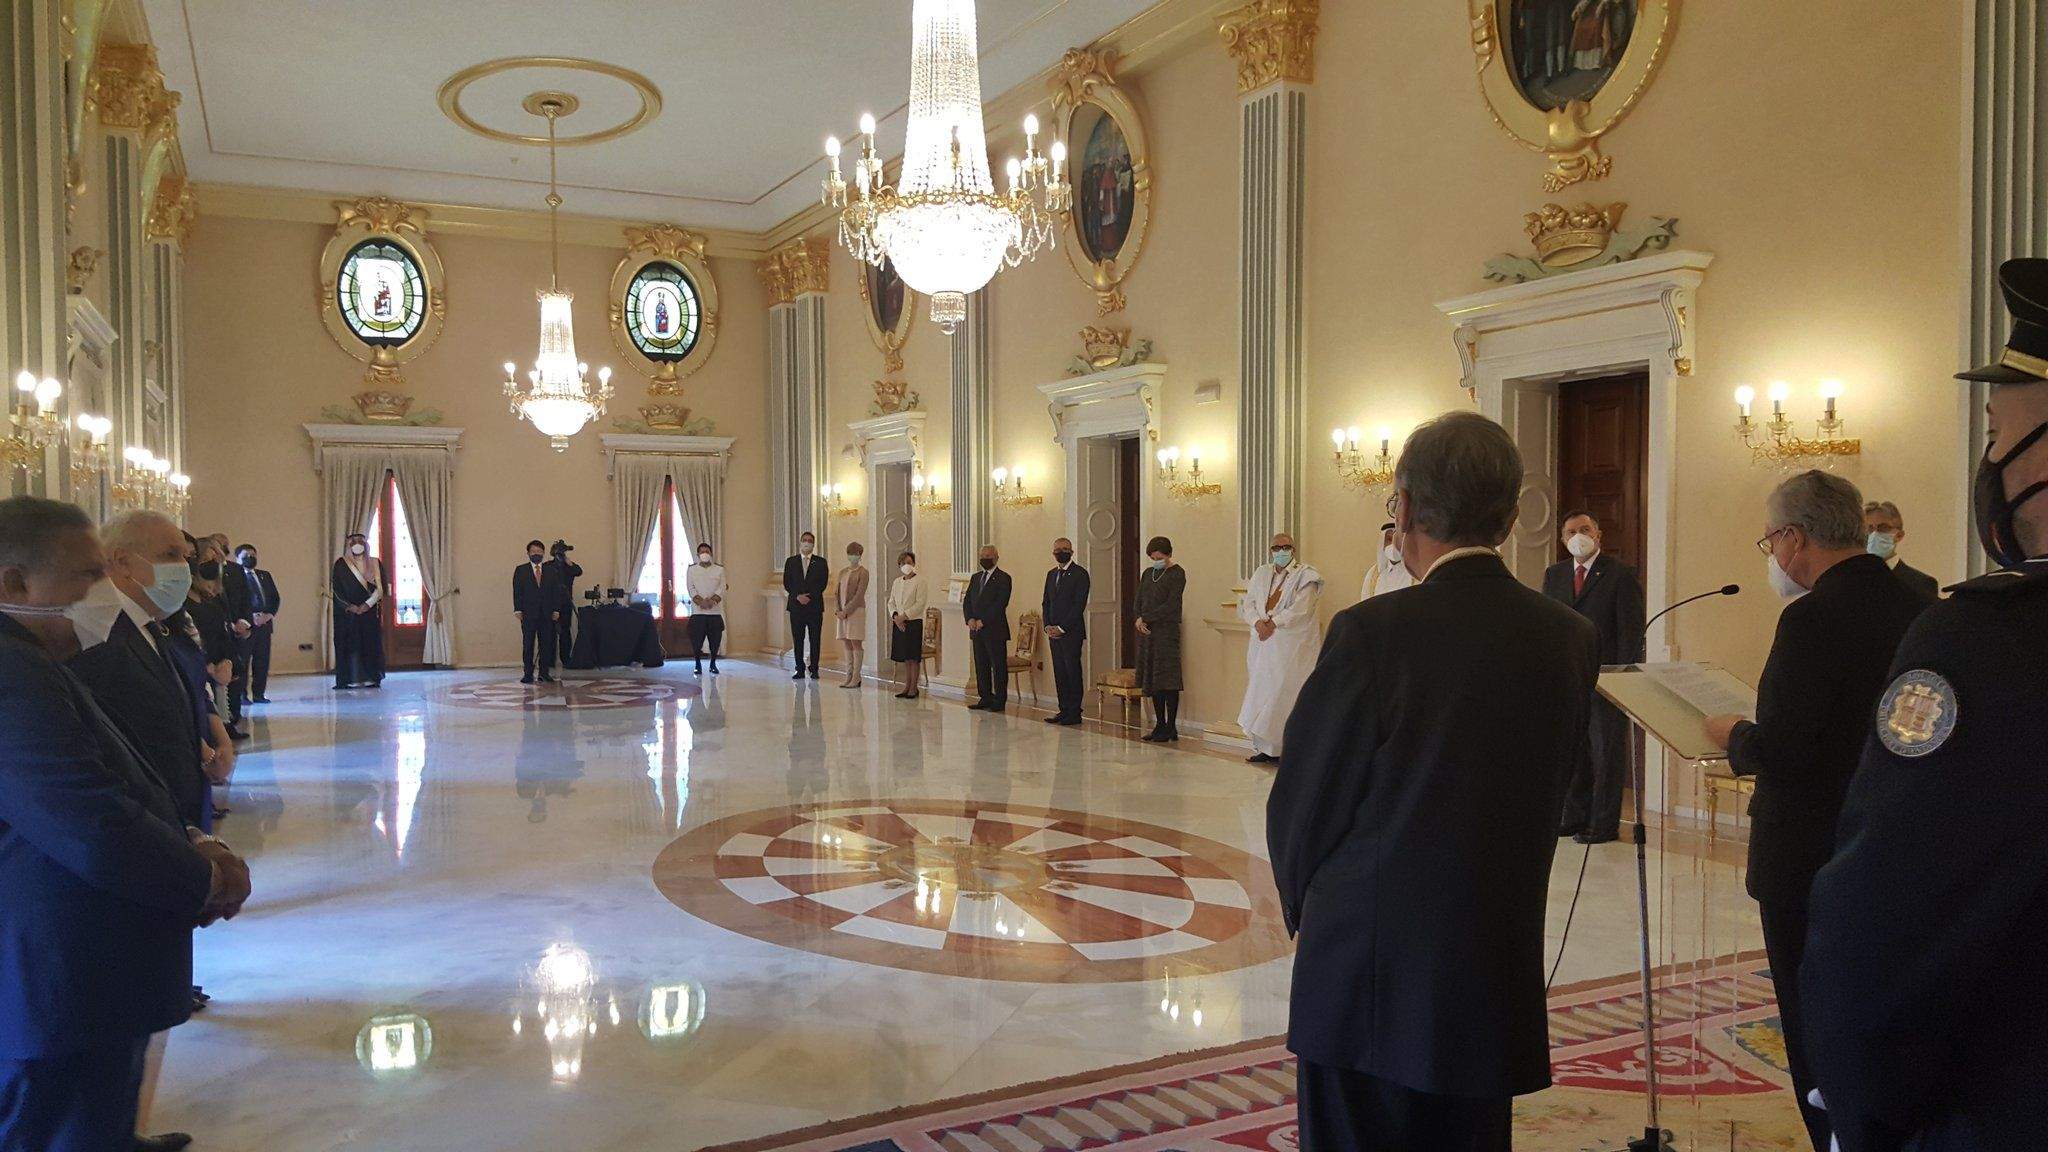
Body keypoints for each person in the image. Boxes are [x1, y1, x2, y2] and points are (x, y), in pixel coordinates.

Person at [1267, 412, 1600, 1152]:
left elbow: (1304, 802)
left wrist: (1308, 913)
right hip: (1491, 965)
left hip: (1369, 976)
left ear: (1407, 510)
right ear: (1511, 520)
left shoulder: (1372, 633)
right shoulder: (1569, 638)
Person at [1801, 256, 2048, 1152]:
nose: (1989, 458)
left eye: (1997, 430)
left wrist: (1856, 1110)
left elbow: (1888, 928)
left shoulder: (1988, 643)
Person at [0, 496, 251, 1152]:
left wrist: (191, 834)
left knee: (103, 1109)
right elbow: (88, 820)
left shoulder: (35, 658)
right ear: (15, 585)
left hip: (91, 954)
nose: (100, 590)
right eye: (86, 575)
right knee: (62, 1120)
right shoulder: (10, 672)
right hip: (57, 966)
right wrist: (202, 879)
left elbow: (115, 762)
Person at [1697, 471, 1928, 1152]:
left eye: (1770, 540)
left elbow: (1785, 749)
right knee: (1874, 1016)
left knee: (1812, 1026)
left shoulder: (1811, 617)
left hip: (1804, 859)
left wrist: (1730, 734)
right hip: (1887, 845)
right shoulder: (1917, 603)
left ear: (1795, 538)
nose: (1772, 555)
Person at [1542, 511, 1646, 843]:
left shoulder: (1620, 574)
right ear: (1563, 540)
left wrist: (1621, 677)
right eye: (1571, 532)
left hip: (1607, 681)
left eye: (1585, 529)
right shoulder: (1554, 575)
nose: (1578, 536)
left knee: (1605, 756)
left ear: (1598, 534)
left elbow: (1631, 632)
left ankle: (1603, 824)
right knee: (1573, 754)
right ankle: (1573, 816)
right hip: (1568, 679)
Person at [1237, 532, 1323, 764]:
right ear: (1271, 551)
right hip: (1263, 646)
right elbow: (1249, 603)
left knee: (1284, 695)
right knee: (1262, 693)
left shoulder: (1306, 576)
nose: (1281, 551)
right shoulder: (1262, 573)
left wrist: (1274, 623)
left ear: (1293, 550)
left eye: (1286, 547)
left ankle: (1288, 749)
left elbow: (1301, 609)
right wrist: (1258, 622)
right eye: (1276, 548)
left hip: (1290, 648)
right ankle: (1265, 748)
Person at [187, 538, 244, 737]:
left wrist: (227, 661)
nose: (212, 562)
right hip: (203, 664)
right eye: (207, 558)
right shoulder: (183, 602)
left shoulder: (212, 599)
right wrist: (209, 665)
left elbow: (221, 631)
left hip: (220, 659)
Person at [1134, 536, 1185, 742]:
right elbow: (1139, 598)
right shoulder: (1148, 573)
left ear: (1168, 554)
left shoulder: (1177, 573)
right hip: (1148, 633)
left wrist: (1148, 617)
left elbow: (1172, 604)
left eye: (1159, 556)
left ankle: (1171, 726)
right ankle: (1159, 724)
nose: (1156, 559)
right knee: (1154, 681)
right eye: (1153, 557)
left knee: (1168, 681)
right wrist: (1139, 618)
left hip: (1167, 632)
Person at [1040, 537, 1090, 726]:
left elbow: (1078, 605)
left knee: (1072, 671)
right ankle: (1064, 709)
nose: (1061, 552)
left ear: (1071, 551)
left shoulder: (1080, 574)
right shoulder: (1051, 574)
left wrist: (1062, 628)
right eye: (1058, 549)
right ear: (1053, 553)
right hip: (1053, 632)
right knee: (1059, 672)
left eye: (1065, 549)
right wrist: (1048, 626)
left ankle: (1075, 711)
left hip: (1071, 632)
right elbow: (1046, 602)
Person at [963, 545, 1012, 713]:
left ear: (996, 557)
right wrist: (969, 619)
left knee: (998, 666)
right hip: (976, 630)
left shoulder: (1004, 578)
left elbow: (1000, 604)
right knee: (981, 664)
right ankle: (985, 697)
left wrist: (983, 620)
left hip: (995, 629)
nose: (985, 558)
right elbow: (967, 600)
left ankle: (999, 700)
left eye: (988, 556)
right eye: (982, 555)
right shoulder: (976, 578)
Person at [331, 532, 384, 689]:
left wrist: (367, 604)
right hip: (347, 615)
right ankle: (348, 679)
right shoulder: (341, 564)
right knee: (348, 645)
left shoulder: (374, 563)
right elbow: (336, 590)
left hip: (368, 612)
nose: (357, 544)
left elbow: (380, 589)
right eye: (353, 542)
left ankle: (371, 677)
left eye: (360, 541)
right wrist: (350, 606)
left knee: (369, 644)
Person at [1861, 500, 1939, 602]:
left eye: (1883, 528)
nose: (1874, 534)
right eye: (1868, 528)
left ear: (1899, 535)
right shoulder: (1850, 579)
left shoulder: (1921, 584)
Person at [232, 544, 280, 704]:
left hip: (265, 625)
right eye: (246, 555)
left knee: (262, 662)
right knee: (243, 661)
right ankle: (242, 695)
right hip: (246, 626)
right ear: (237, 558)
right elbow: (234, 603)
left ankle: (259, 694)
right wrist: (249, 618)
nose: (250, 558)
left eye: (253, 555)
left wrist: (268, 615)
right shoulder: (234, 577)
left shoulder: (264, 575)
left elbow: (274, 598)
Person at [783, 531, 829, 680]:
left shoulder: (821, 562)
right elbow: (787, 582)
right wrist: (798, 596)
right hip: (796, 607)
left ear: (813, 544)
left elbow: (823, 583)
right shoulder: (791, 561)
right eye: (804, 540)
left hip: (814, 606)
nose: (807, 543)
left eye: (810, 541)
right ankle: (799, 668)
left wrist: (810, 597)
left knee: (815, 639)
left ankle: (814, 668)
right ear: (800, 542)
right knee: (798, 639)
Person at [512, 539, 557, 684]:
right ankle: (528, 674)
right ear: (528, 553)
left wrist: (556, 609)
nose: (536, 554)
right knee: (528, 645)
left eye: (539, 552)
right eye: (533, 552)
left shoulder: (551, 570)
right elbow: (517, 591)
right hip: (528, 613)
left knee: (546, 644)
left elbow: (555, 592)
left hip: (546, 613)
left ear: (543, 553)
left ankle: (544, 673)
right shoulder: (521, 570)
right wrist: (517, 609)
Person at [887, 551, 928, 700]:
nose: (907, 565)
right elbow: (891, 601)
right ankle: (906, 686)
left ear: (914, 564)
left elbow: (920, 603)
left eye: (910, 562)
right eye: (904, 563)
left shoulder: (920, 581)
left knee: (913, 657)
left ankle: (914, 688)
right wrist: (896, 616)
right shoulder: (897, 582)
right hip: (899, 623)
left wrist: (905, 616)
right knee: (905, 656)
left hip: (913, 622)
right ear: (899, 565)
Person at [685, 543, 727, 675]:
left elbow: (722, 587)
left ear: (711, 553)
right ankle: (697, 663)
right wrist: (700, 602)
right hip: (698, 612)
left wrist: (712, 601)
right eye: (702, 552)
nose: (705, 554)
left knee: (715, 640)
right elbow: (690, 587)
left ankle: (713, 663)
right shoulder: (692, 570)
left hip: (714, 612)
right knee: (697, 640)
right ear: (698, 555)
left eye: (707, 551)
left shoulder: (719, 569)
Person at [834, 542, 869, 688]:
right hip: (842, 613)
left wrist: (846, 611)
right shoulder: (842, 572)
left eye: (855, 553)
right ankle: (848, 675)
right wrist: (838, 610)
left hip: (856, 612)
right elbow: (837, 592)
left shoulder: (863, 572)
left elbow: (859, 595)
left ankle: (856, 676)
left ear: (860, 555)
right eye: (850, 552)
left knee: (855, 642)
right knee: (846, 641)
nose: (852, 555)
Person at [545, 540, 582, 665]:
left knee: (565, 631)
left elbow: (578, 571)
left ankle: (566, 659)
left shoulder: (569, 566)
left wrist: (568, 562)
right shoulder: (548, 565)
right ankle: (549, 660)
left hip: (565, 602)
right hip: (550, 603)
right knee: (550, 631)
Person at [1360, 522, 1413, 600]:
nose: (1393, 544)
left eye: (1397, 539)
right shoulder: (1373, 574)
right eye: (1389, 539)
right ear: (1382, 543)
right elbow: (1364, 604)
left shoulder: (1414, 572)